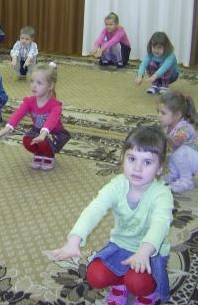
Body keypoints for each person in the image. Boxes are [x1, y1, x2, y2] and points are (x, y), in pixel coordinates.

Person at [51, 125, 173, 305]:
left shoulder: (162, 194)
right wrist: (74, 240)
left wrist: (144, 252)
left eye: (147, 162)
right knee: (95, 276)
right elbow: (95, 208)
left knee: (137, 282)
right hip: (120, 244)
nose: (137, 168)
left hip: (150, 251)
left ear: (160, 168)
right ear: (123, 158)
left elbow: (160, 224)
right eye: (132, 159)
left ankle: (148, 294)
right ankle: (120, 285)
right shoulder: (117, 185)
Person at [0, 62, 71, 170]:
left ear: (50, 86)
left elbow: (51, 120)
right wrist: (7, 128)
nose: (34, 85)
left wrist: (43, 133)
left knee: (44, 139)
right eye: (32, 81)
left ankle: (49, 154)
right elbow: (18, 114)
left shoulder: (55, 105)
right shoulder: (29, 101)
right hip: (38, 130)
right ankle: (40, 152)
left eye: (39, 83)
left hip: (54, 133)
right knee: (27, 139)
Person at [158, 92, 198, 193]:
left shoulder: (185, 127)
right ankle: (174, 174)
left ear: (177, 115)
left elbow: (176, 143)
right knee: (173, 154)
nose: (158, 115)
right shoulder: (168, 125)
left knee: (179, 152)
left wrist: (164, 136)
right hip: (189, 156)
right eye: (158, 112)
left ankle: (187, 181)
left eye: (163, 113)